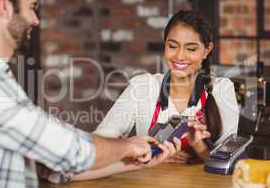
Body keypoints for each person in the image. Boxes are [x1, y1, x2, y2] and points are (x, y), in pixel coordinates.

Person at [0, 0, 178, 187]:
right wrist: (129, 146)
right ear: (4, 7)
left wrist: (135, 162)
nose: (36, 19)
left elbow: (50, 166)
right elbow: (70, 150)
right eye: (32, 7)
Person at [71, 10, 239, 180]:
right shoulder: (143, 86)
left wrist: (198, 148)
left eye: (191, 48)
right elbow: (101, 141)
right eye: (172, 46)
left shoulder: (222, 89)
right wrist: (131, 147)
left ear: (207, 50)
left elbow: (229, 162)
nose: (180, 56)